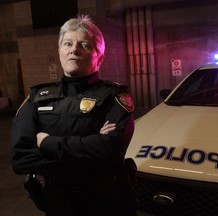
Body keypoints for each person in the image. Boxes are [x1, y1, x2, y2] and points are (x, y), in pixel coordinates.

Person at [11, 15, 136, 216]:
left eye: (84, 45)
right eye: (67, 43)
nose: (74, 50)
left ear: (100, 57)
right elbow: (21, 158)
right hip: (59, 204)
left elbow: (111, 150)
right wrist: (91, 150)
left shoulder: (114, 96)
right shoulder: (37, 97)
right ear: (60, 51)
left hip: (107, 204)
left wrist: (48, 143)